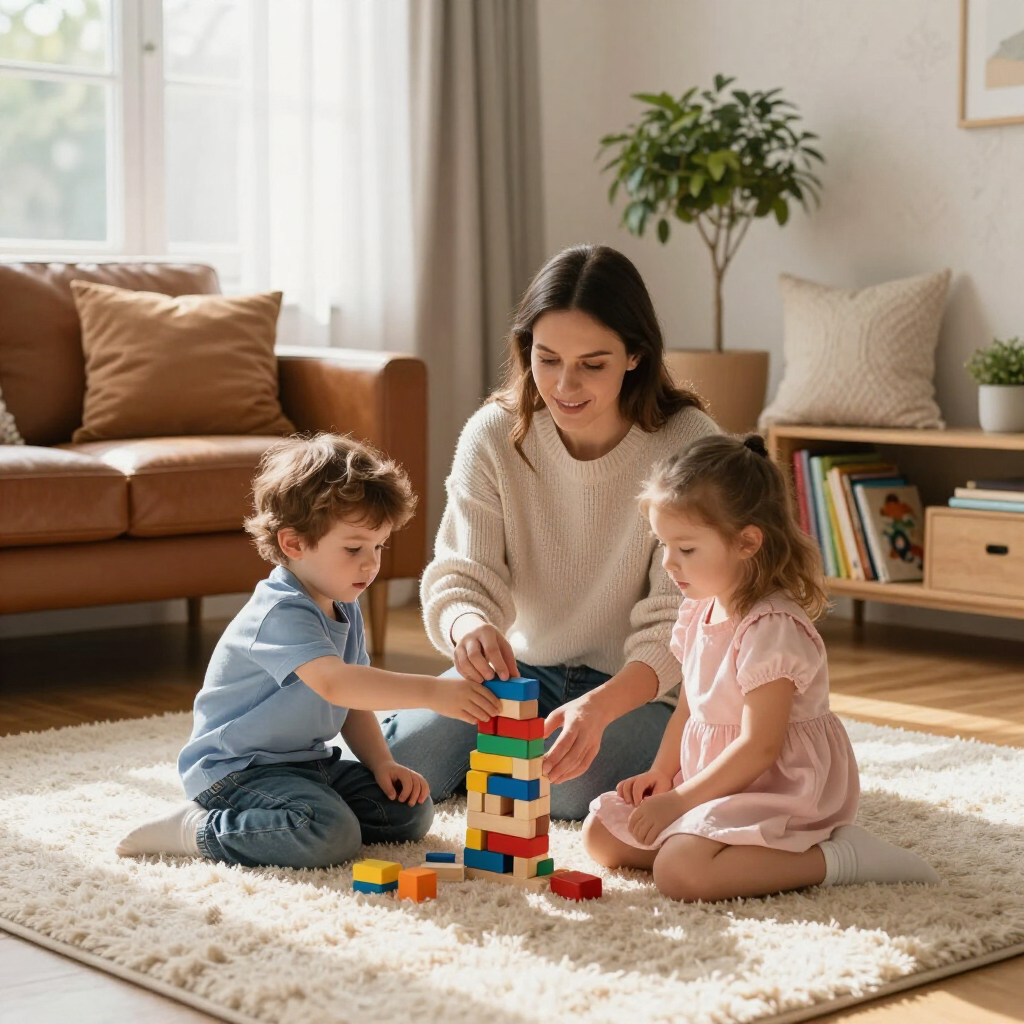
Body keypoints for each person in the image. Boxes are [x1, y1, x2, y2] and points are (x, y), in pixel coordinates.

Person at [384, 244, 720, 819]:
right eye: (547, 359)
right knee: (395, 763)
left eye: (593, 364)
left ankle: (502, 764)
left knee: (557, 789)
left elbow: (682, 625)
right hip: (521, 674)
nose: (565, 384)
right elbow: (461, 574)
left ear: (635, 355)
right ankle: (496, 758)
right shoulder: (494, 435)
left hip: (638, 688)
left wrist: (598, 709)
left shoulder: (689, 444)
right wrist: (469, 627)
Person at [116, 434, 501, 868]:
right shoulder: (281, 611)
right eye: (354, 548)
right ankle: (197, 828)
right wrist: (433, 693)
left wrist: (381, 763)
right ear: (293, 544)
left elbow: (354, 703)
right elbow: (337, 685)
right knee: (330, 834)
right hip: (237, 771)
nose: (371, 563)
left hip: (306, 763)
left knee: (409, 812)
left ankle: (296, 816)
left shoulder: (344, 606)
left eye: (378, 547)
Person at [584, 434, 941, 901]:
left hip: (777, 787)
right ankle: (704, 842)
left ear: (747, 542)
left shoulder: (770, 628)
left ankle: (838, 855)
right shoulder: (698, 610)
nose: (669, 563)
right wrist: (663, 776)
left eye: (686, 549)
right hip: (713, 782)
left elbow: (760, 747)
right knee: (600, 835)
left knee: (680, 875)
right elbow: (687, 711)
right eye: (663, 545)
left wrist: (680, 803)